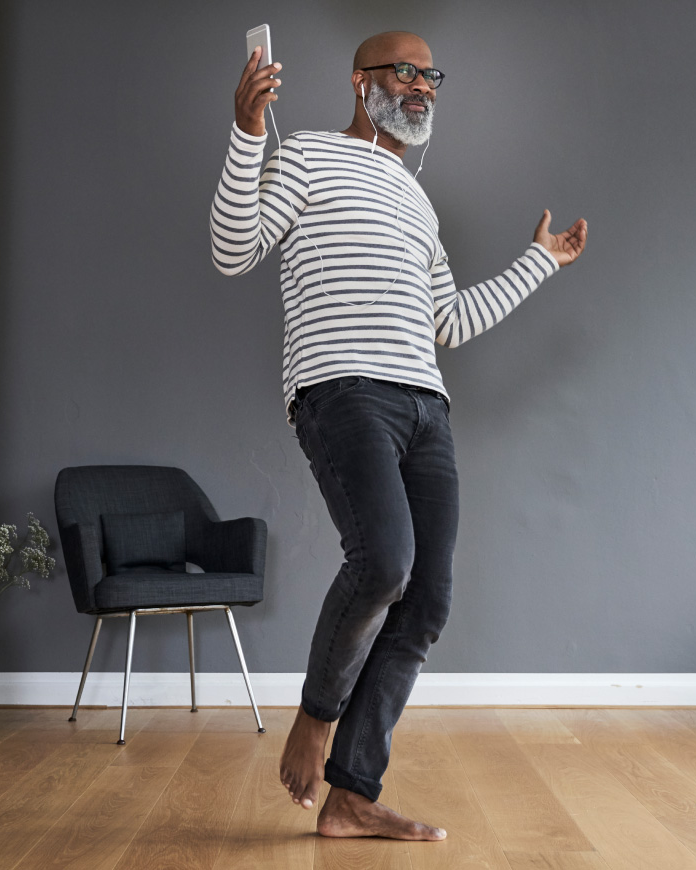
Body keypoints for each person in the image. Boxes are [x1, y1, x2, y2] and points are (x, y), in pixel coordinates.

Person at [210, 30, 587, 840]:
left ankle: (351, 796)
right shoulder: (305, 154)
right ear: (361, 81)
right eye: (405, 72)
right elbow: (233, 248)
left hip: (426, 404)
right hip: (341, 388)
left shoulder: (418, 199)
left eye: (432, 77)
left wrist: (539, 263)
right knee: (384, 561)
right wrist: (247, 135)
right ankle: (317, 717)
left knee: (427, 603)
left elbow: (448, 322)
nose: (423, 87)